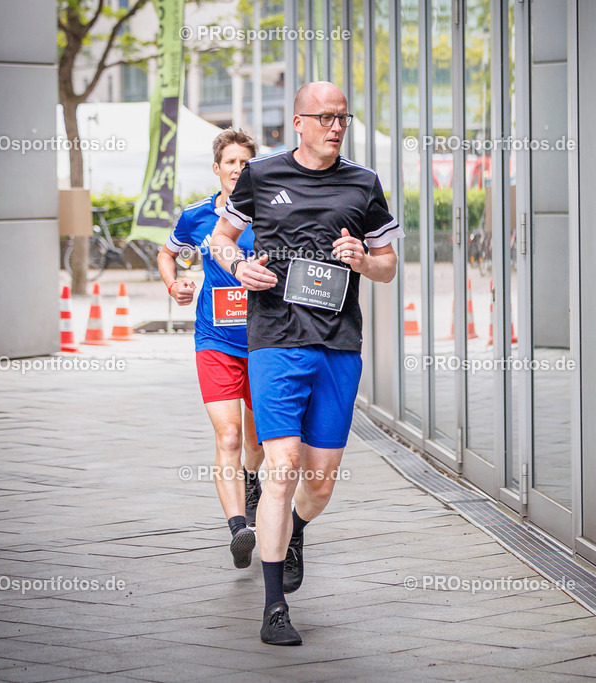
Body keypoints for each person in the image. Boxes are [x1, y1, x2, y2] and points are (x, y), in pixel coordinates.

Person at [211, 81, 401, 646]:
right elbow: (220, 240)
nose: (335, 125)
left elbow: (390, 265)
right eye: (323, 117)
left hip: (339, 345)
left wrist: (366, 260)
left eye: (342, 116)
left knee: (317, 485)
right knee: (283, 465)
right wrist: (239, 265)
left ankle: (294, 531)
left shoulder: (364, 184)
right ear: (298, 122)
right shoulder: (262, 175)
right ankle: (274, 608)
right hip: (274, 340)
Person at [157, 129, 265, 570]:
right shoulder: (197, 216)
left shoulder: (272, 212)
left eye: (245, 163)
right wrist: (174, 284)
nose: (238, 169)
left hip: (264, 342)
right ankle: (239, 526)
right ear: (217, 168)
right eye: (231, 162)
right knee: (229, 435)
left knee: (258, 441)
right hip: (215, 340)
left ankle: (252, 480)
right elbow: (169, 254)